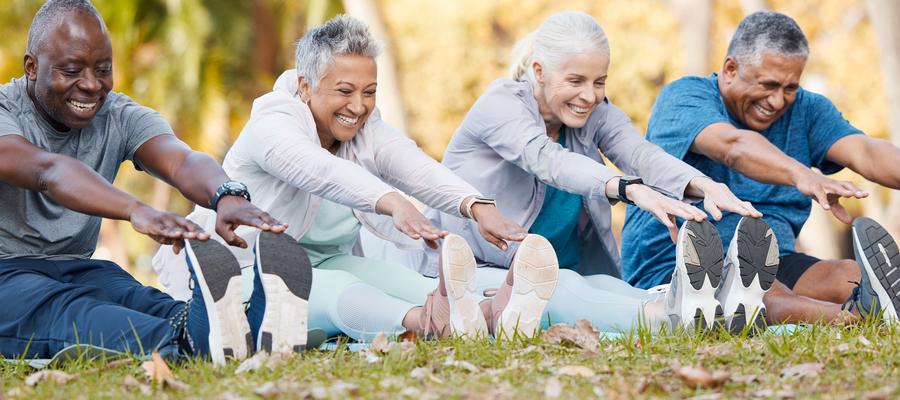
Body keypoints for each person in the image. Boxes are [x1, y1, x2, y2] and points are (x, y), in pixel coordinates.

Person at [153, 15, 560, 342]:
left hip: (325, 261)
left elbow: (411, 163)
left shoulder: (364, 128)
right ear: (305, 86)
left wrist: (476, 205)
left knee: (401, 280)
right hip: (238, 274)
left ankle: (490, 314)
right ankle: (432, 323)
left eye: (369, 91)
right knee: (340, 291)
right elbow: (319, 170)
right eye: (345, 91)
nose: (359, 106)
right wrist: (392, 201)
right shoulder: (272, 124)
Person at [365, 11, 767, 333]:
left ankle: (714, 305)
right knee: (562, 291)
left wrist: (704, 184)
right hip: (478, 272)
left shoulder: (593, 113)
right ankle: (672, 315)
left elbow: (639, 153)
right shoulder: (501, 105)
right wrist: (628, 189)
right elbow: (548, 161)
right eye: (575, 81)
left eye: (599, 81)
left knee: (606, 288)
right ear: (539, 71)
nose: (589, 95)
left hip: (561, 268)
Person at [0, 0, 296, 365]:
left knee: (135, 297)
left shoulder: (117, 114)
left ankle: (239, 329)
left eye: (103, 70)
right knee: (72, 310)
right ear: (31, 67)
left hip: (77, 267)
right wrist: (136, 210)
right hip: (6, 275)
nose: (91, 85)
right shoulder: (4, 111)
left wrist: (226, 194)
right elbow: (48, 171)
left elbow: (181, 159)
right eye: (72, 70)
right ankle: (188, 341)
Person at [621, 11, 900, 325]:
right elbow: (732, 146)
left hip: (773, 259)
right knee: (767, 295)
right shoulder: (684, 97)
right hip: (683, 266)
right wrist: (803, 175)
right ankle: (862, 318)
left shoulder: (808, 109)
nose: (778, 101)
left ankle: (877, 306)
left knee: (850, 276)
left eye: (790, 88)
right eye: (768, 85)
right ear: (730, 69)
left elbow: (865, 151)